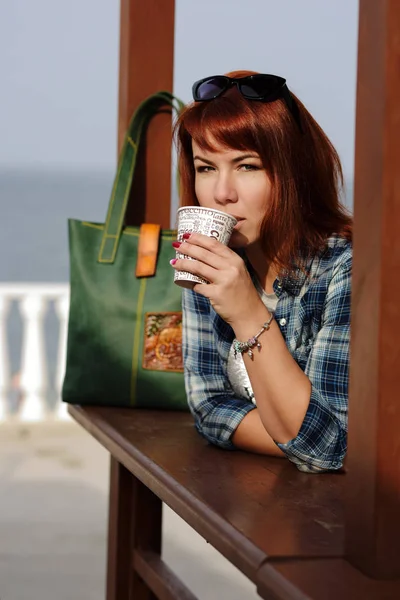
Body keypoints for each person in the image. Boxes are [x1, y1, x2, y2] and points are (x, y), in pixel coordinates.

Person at [170, 71, 352, 473]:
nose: (222, 192)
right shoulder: (210, 261)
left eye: (247, 166)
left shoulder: (346, 270)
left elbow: (331, 447)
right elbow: (208, 406)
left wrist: (247, 314)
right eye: (205, 168)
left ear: (293, 172)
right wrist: (293, 439)